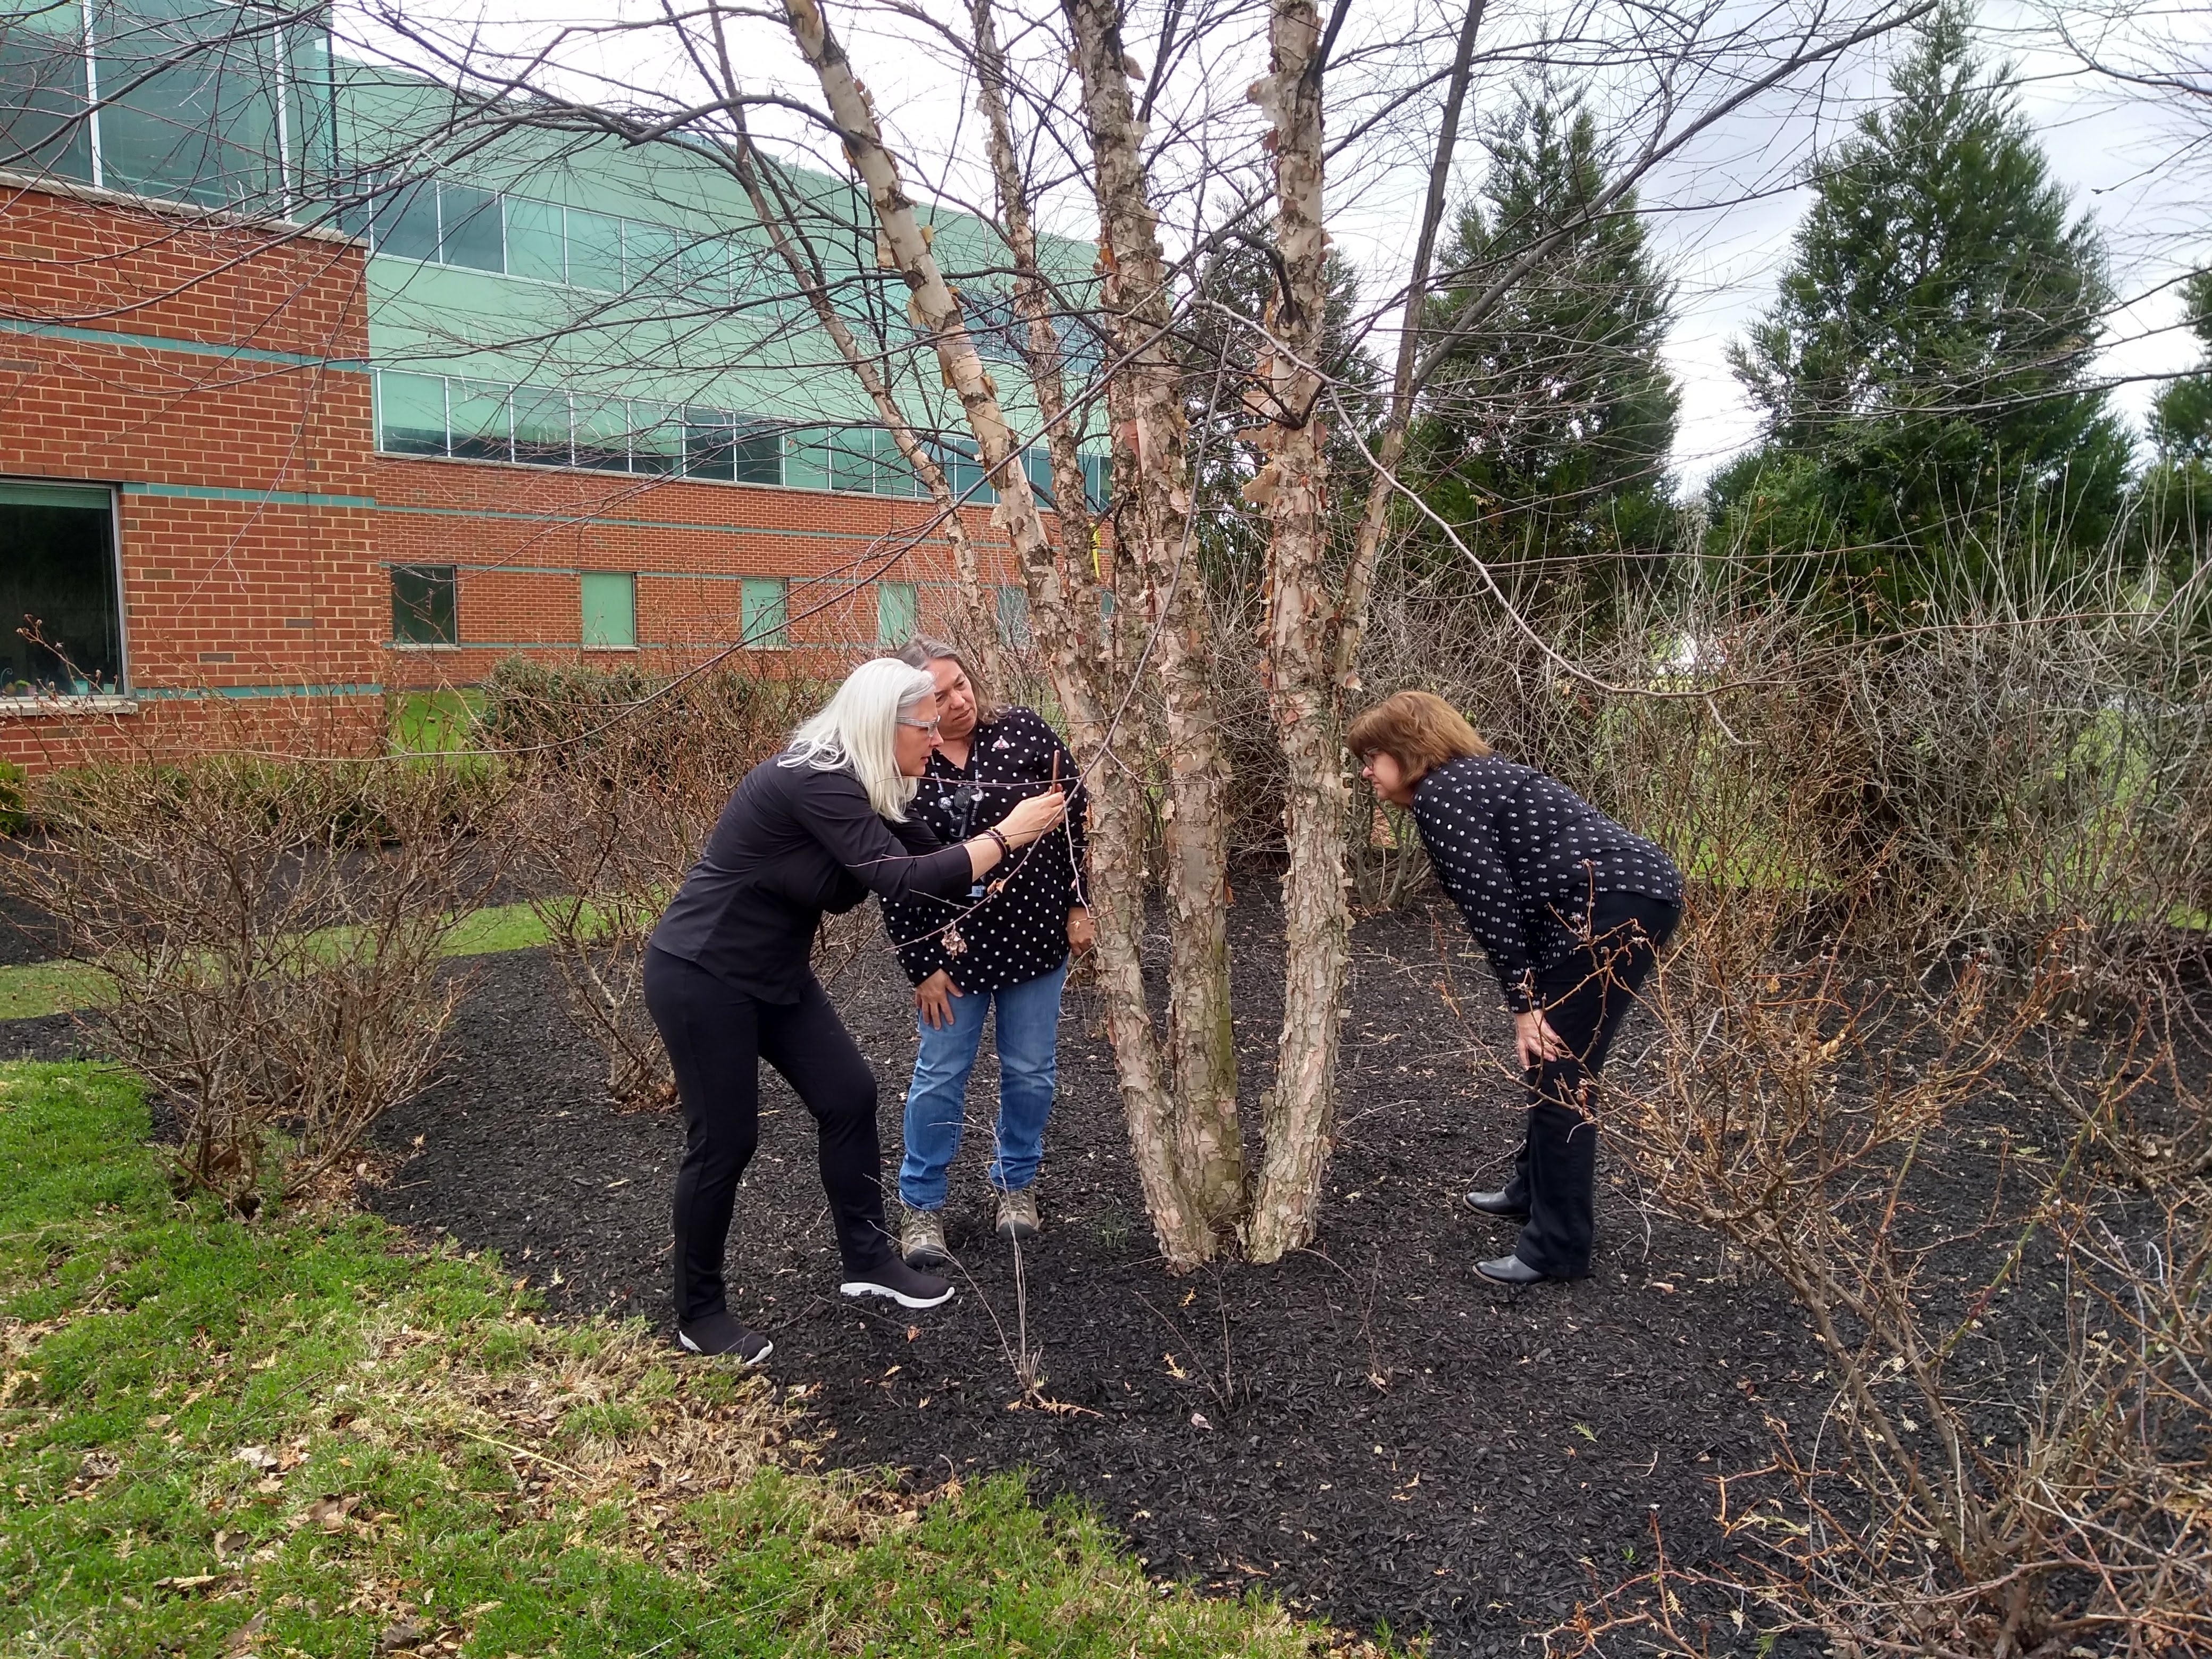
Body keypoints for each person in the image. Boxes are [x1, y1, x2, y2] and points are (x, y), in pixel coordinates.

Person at [644, 657, 1068, 1362]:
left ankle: (869, 1264)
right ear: (887, 724)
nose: (936, 742)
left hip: (775, 974)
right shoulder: (812, 777)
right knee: (725, 1141)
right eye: (926, 729)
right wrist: (1003, 839)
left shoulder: (868, 783)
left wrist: (983, 889)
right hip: (703, 975)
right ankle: (699, 1313)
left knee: (848, 1096)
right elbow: (892, 877)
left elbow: (921, 856)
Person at [1347, 690, 1682, 1286]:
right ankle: (1531, 1191)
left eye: (1372, 755)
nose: (1365, 772)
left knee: (1559, 1070)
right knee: (1557, 1066)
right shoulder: (1478, 777)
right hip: (1624, 899)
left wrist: (1524, 1006)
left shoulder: (1443, 795)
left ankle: (1556, 1249)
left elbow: (1491, 905)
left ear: (1409, 750)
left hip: (1604, 909)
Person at [881, 637, 1091, 1267]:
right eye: (938, 696)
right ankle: (920, 1203)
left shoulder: (1024, 732)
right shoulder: (907, 764)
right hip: (952, 956)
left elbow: (1076, 819)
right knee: (940, 1075)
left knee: (1030, 1071)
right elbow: (896, 878)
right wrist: (921, 967)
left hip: (1034, 940)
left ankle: (1015, 1186)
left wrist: (1079, 904)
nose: (957, 701)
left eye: (961, 684)